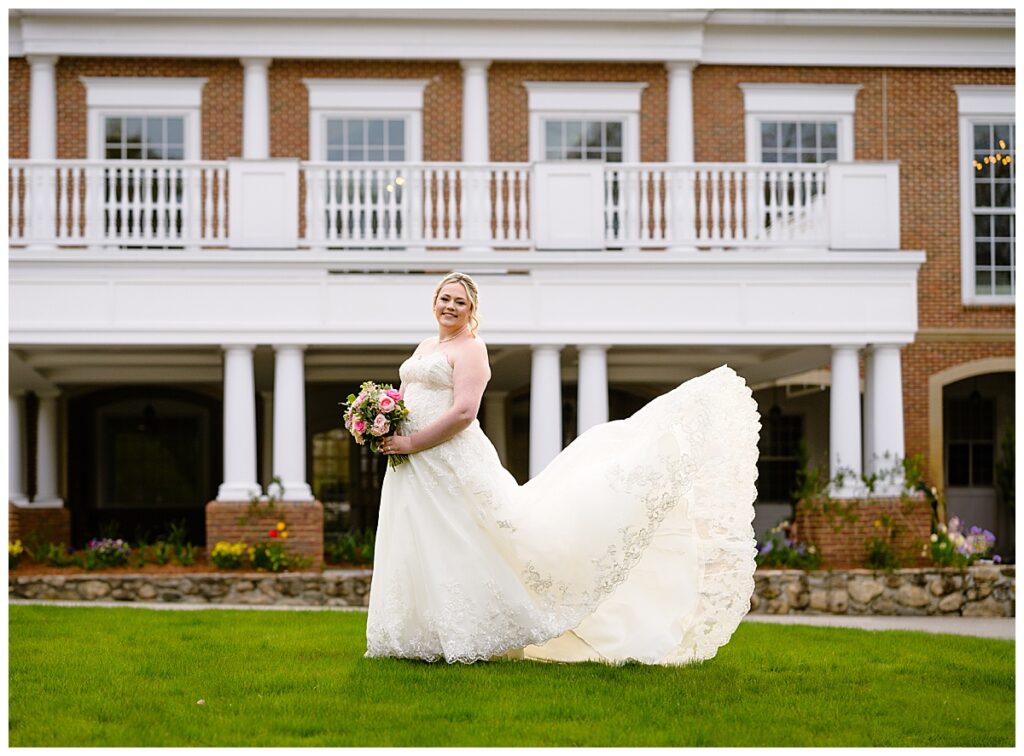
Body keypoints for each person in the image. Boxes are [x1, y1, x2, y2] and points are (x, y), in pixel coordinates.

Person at [366, 271, 760, 665]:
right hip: (413, 465)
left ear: (472, 311)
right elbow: (413, 395)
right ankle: (420, 634)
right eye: (445, 298)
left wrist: (412, 441)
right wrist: (378, 416)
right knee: (420, 538)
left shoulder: (472, 349)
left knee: (470, 539)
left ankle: (473, 633)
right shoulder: (425, 345)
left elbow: (465, 411)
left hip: (448, 459)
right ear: (434, 300)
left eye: (460, 302)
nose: (450, 307)